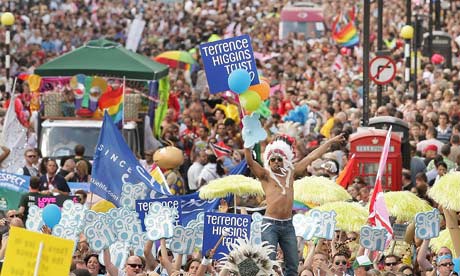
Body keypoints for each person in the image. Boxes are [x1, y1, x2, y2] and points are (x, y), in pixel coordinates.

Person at [244, 134, 344, 275]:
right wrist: (247, 143)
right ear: (268, 161)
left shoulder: (290, 173)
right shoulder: (265, 175)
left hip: (287, 224)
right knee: (268, 262)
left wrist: (330, 142)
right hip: (270, 224)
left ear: (285, 160)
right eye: (273, 159)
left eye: (280, 159)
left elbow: (311, 157)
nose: (277, 162)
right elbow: (250, 162)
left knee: (293, 263)